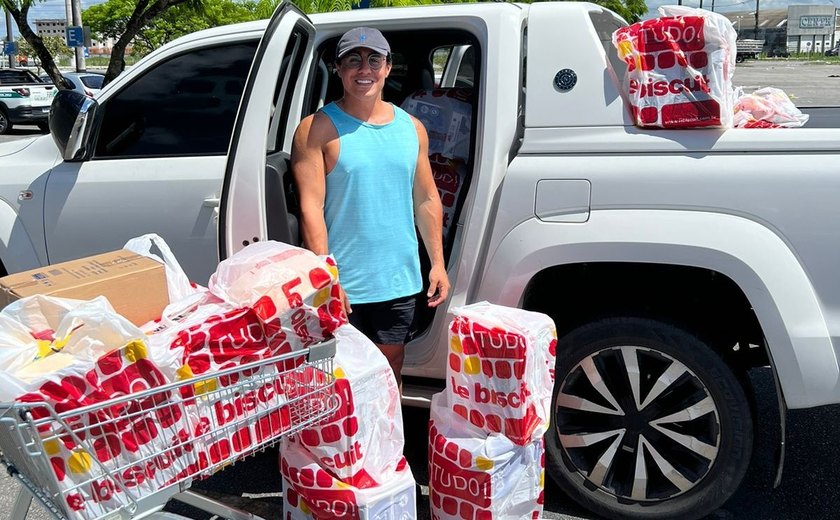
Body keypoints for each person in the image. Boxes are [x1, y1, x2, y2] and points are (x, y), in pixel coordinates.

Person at [291, 27, 450, 387]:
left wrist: (437, 264)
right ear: (338, 68)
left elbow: (425, 199)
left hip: (397, 278)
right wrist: (327, 278)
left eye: (374, 59)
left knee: (389, 365)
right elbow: (310, 207)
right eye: (353, 60)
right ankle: (347, 443)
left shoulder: (412, 128)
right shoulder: (316, 129)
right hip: (343, 281)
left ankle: (385, 441)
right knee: (338, 374)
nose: (364, 69)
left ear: (388, 67)